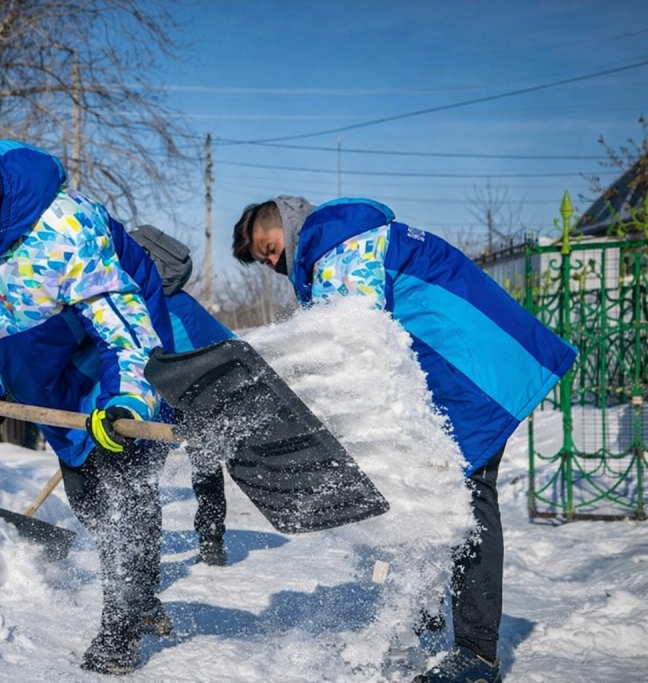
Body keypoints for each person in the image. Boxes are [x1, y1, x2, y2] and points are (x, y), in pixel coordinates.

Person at [231, 196, 578, 683]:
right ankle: (428, 607)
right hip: (463, 373)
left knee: (465, 500)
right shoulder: (345, 245)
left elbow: (350, 348)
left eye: (269, 248)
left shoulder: (339, 246)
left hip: (472, 376)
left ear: (288, 225)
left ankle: (477, 655)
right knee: (422, 490)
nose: (272, 263)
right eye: (263, 261)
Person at [0, 114, 173, 675]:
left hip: (115, 341)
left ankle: (124, 623)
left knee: (121, 480)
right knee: (84, 490)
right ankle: (140, 593)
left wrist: (128, 398)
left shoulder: (65, 228)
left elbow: (125, 329)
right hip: (51, 349)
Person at [128, 224, 234, 566]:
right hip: (190, 388)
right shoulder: (178, 302)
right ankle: (210, 536)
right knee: (199, 462)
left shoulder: (153, 305)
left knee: (147, 467)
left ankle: (145, 554)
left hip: (186, 388)